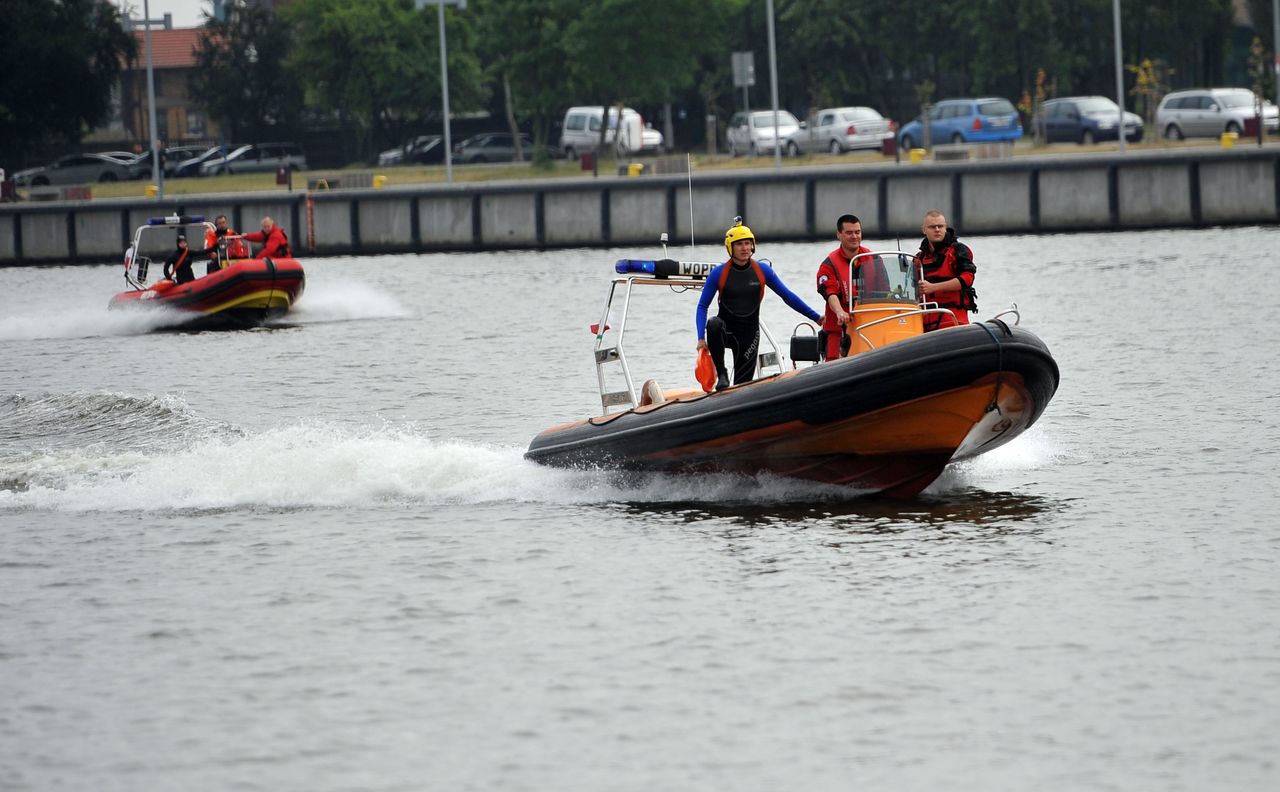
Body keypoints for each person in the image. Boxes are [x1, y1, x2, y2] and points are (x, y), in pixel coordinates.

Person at [696, 219, 821, 390]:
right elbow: (702, 306)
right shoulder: (719, 273)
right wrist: (700, 338)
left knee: (741, 386)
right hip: (726, 330)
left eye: (748, 243)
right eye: (739, 244)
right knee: (713, 324)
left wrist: (816, 317)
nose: (745, 248)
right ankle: (722, 374)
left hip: (749, 335)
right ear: (730, 247)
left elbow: (788, 296)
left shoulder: (763, 271)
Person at [815, 214, 890, 361]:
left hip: (870, 326)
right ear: (839, 234)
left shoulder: (874, 259)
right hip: (840, 331)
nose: (854, 236)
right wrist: (840, 312)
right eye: (849, 233)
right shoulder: (828, 265)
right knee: (833, 361)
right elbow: (830, 293)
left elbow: (885, 292)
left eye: (857, 232)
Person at [914, 210, 977, 331]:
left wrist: (933, 287)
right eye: (932, 227)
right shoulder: (918, 259)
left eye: (940, 226)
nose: (937, 229)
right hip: (925, 324)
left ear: (945, 228)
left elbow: (967, 279)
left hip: (954, 321)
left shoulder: (958, 251)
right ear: (924, 230)